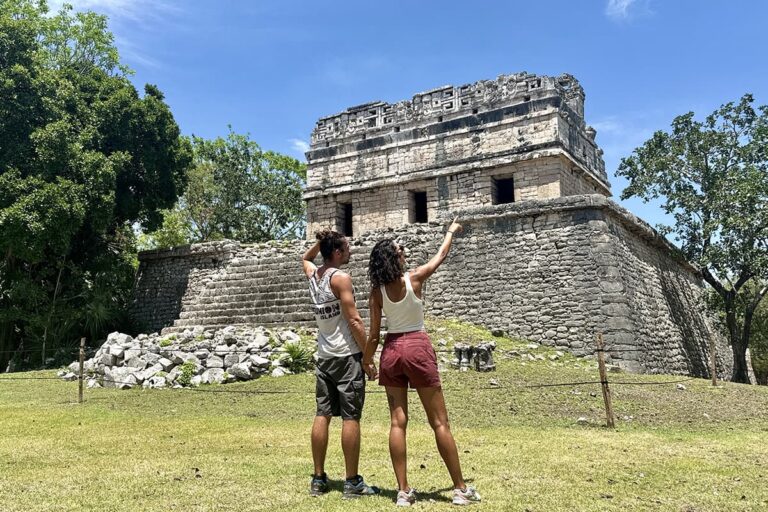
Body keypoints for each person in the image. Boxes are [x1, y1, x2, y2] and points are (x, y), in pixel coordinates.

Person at [363, 218, 481, 507]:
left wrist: (368, 361)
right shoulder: (414, 279)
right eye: (399, 248)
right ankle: (460, 489)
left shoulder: (376, 292)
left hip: (392, 350)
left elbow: (375, 333)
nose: (403, 249)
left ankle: (403, 491)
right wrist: (451, 232)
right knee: (439, 421)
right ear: (394, 258)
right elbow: (440, 256)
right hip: (417, 345)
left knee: (397, 422)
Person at [302, 229, 379, 499]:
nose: (350, 251)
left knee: (322, 413)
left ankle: (318, 478)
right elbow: (355, 320)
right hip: (346, 356)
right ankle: (352, 482)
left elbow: (305, 257)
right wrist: (368, 357)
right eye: (346, 247)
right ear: (337, 253)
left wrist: (320, 241)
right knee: (350, 417)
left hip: (324, 356)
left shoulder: (314, 275)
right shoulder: (341, 278)